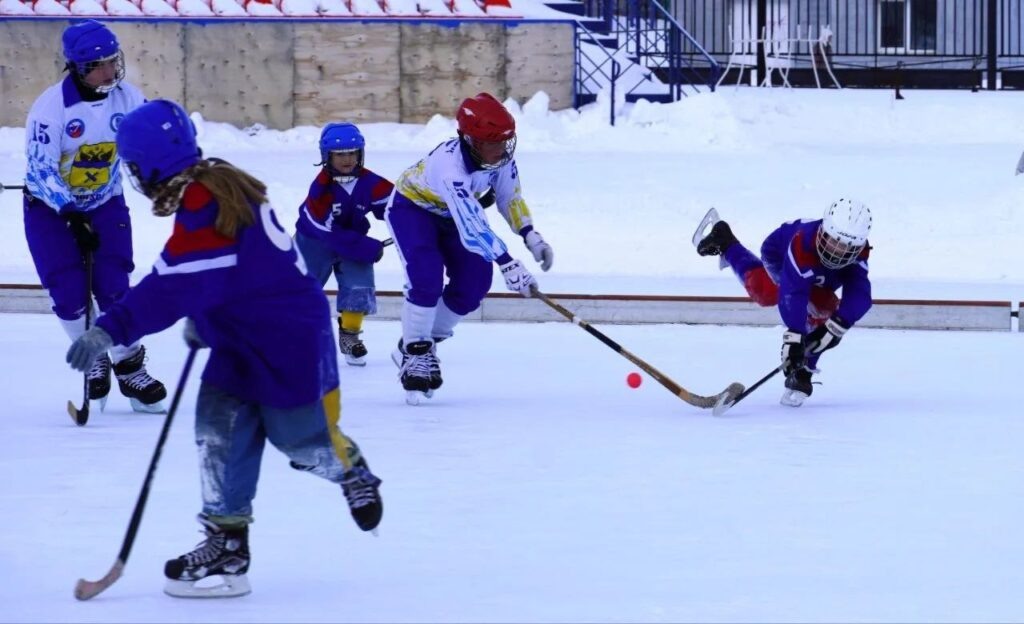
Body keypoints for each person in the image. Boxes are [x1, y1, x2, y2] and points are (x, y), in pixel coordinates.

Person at [65, 99, 384, 598]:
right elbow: (224, 272)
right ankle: (227, 541)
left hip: (289, 341)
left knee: (298, 443)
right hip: (239, 336)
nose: (132, 174)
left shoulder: (207, 207)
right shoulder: (210, 183)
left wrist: (108, 330)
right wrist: (208, 310)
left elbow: (170, 283)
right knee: (218, 430)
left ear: (150, 164)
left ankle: (352, 471)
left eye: (132, 165)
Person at [23, 19, 166, 413]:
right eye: (97, 66)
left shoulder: (128, 98)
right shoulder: (51, 109)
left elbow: (141, 154)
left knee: (115, 288)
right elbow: (40, 169)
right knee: (69, 295)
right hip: (51, 210)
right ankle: (94, 356)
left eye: (112, 62)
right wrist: (69, 214)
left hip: (105, 203)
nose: (109, 72)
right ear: (76, 68)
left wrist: (165, 185)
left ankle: (129, 367)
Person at [385, 92, 554, 403]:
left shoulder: (500, 158)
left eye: (505, 141)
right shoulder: (450, 168)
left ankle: (422, 344)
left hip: (453, 215)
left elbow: (510, 198)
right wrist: (507, 262)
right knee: (426, 277)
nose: (501, 150)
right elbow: (473, 225)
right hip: (412, 210)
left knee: (475, 282)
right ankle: (416, 352)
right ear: (470, 141)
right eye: (492, 143)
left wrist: (531, 236)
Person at [695, 199, 873, 406]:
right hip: (779, 253)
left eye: (847, 246)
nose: (837, 250)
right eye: (833, 240)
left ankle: (803, 372)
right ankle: (727, 244)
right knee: (771, 294)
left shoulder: (859, 253)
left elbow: (860, 293)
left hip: (821, 273)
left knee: (825, 311)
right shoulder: (802, 243)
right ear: (824, 230)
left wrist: (837, 326)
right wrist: (794, 338)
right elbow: (793, 294)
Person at [294, 122, 393, 366]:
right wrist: (365, 247)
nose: (347, 159)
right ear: (326, 156)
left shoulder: (371, 182)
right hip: (314, 243)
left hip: (353, 239)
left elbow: (397, 207)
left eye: (352, 153)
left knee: (359, 288)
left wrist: (418, 224)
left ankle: (350, 336)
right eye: (340, 154)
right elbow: (327, 231)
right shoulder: (320, 190)